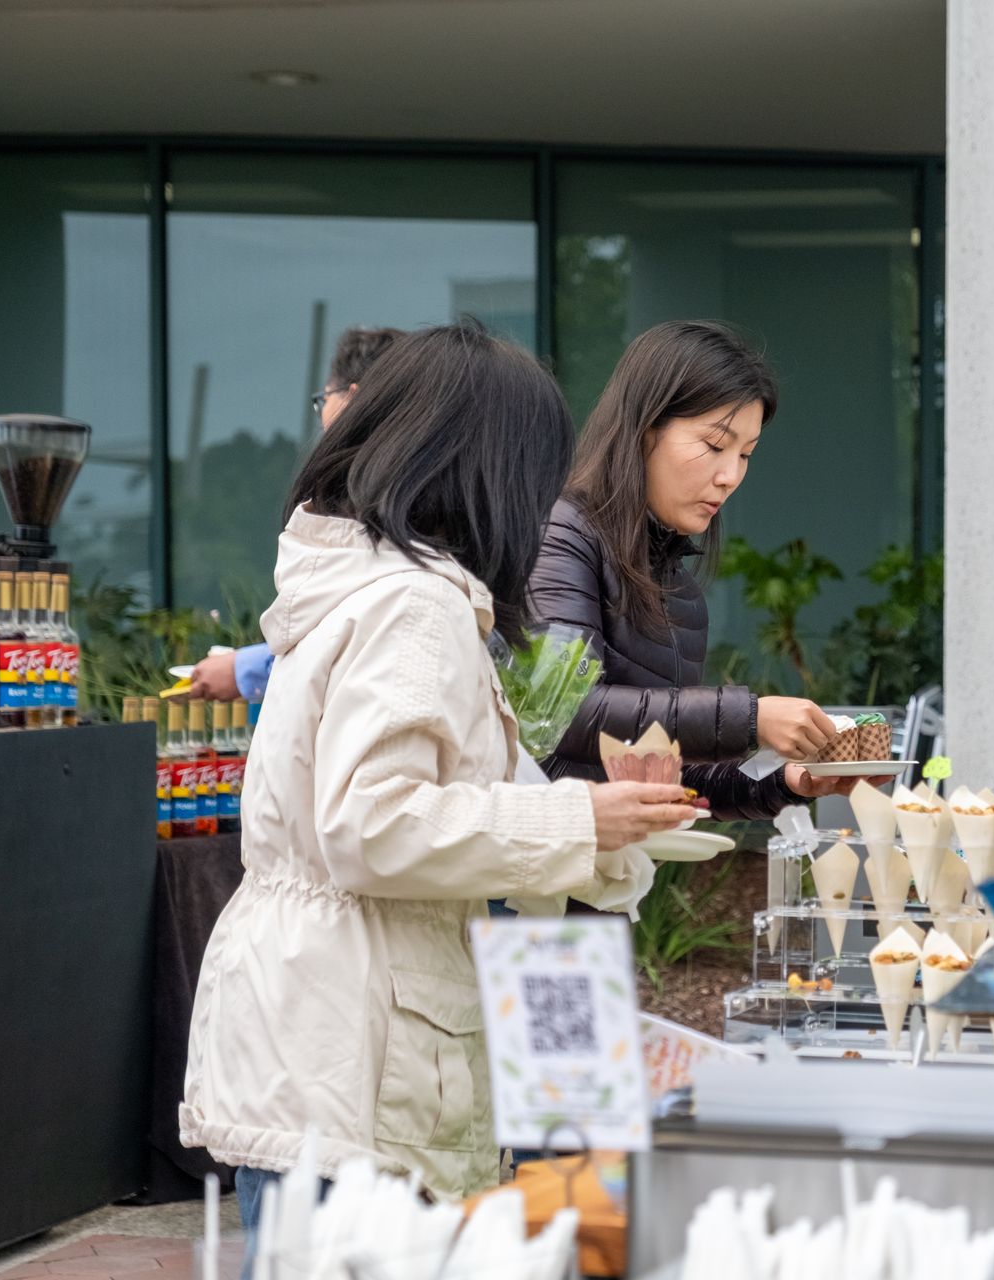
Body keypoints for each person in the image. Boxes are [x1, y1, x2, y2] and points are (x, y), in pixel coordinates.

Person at [179, 322, 695, 1219]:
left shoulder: (367, 585)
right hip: (356, 1062)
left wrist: (602, 833)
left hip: (321, 1045)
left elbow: (443, 805)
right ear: (492, 469)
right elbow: (373, 825)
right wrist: (581, 824)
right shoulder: (415, 606)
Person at [529, 320, 875, 818]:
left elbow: (671, 771)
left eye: (746, 455)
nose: (730, 475)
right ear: (645, 428)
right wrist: (750, 718)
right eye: (715, 445)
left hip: (610, 877)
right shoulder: (560, 534)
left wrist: (786, 781)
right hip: (534, 878)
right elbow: (556, 708)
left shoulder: (678, 586)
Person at [188, 325, 405, 703]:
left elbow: (338, 635)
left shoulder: (369, 492)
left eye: (324, 399)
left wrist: (246, 670)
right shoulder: (417, 489)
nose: (323, 420)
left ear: (352, 399)